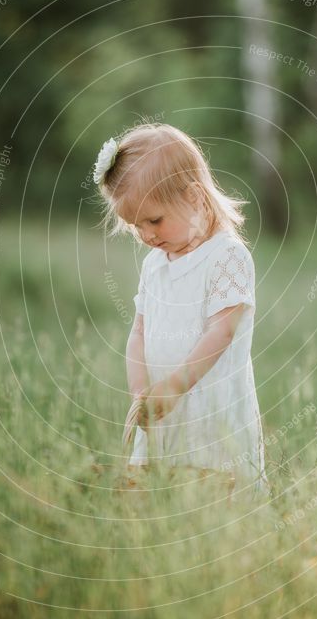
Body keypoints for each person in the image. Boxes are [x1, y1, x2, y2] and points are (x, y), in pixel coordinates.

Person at [93, 122, 270, 502]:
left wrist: (176, 386)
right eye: (134, 225)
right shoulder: (155, 264)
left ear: (193, 196)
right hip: (163, 410)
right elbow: (139, 331)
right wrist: (142, 391)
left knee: (214, 497)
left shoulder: (226, 256)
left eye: (153, 220)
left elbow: (221, 331)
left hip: (209, 406)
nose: (146, 235)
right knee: (157, 499)